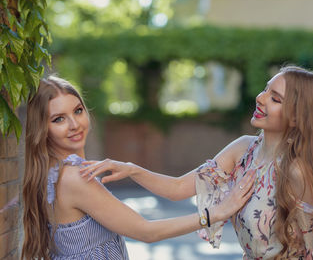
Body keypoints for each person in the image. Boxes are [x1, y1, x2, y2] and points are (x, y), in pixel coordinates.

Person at [81, 66, 313, 259]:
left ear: (299, 117)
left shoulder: (298, 171)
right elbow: (177, 189)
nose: (261, 98)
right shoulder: (243, 150)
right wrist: (132, 169)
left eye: (275, 99)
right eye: (266, 89)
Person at [21, 76, 256, 260]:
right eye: (59, 119)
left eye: (78, 111)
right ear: (42, 128)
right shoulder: (74, 177)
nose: (74, 124)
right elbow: (146, 231)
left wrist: (133, 170)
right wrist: (216, 213)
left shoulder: (52, 172)